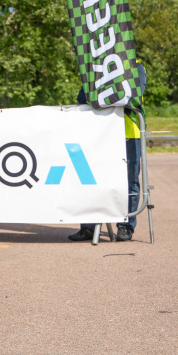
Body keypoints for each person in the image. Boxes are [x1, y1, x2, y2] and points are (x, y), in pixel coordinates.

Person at [68, 62, 147, 243]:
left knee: (129, 180)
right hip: (100, 133)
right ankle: (88, 227)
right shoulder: (96, 69)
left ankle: (125, 227)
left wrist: (101, 95)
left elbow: (134, 95)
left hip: (128, 133)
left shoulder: (137, 67)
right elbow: (82, 97)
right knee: (92, 178)